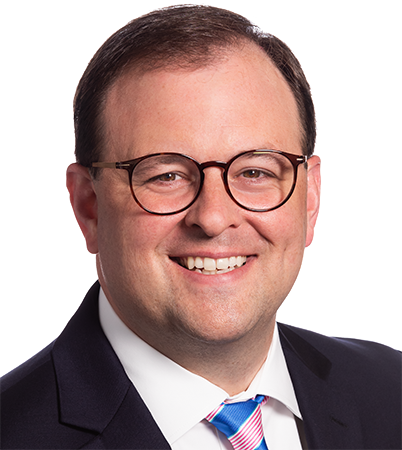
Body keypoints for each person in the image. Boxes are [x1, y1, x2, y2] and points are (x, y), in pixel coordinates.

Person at [1, 4, 401, 449]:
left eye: (255, 172)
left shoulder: (391, 392)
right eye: (166, 175)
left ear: (309, 199)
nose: (212, 218)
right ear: (88, 207)